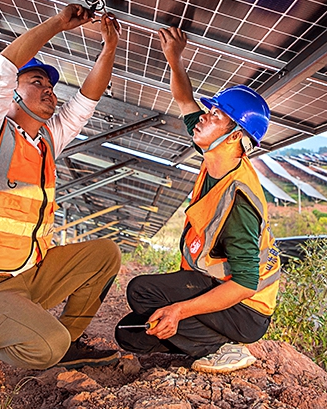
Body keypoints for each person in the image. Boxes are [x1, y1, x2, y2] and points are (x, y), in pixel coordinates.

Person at [0, 4, 123, 387]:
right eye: (36, 82)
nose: (48, 91)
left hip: (26, 274)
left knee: (104, 254)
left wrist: (108, 50)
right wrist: (58, 23)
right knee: (47, 347)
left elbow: (85, 105)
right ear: (13, 95)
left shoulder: (46, 143)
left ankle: (69, 341)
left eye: (51, 86)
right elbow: (2, 69)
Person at [115, 26, 281, 374]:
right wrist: (174, 58)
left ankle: (224, 350)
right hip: (215, 286)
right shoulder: (214, 156)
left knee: (143, 293)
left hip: (246, 309)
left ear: (236, 138)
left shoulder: (240, 200)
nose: (205, 116)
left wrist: (179, 311)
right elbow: (185, 100)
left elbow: (245, 283)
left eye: (216, 115)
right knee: (130, 332)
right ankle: (194, 338)